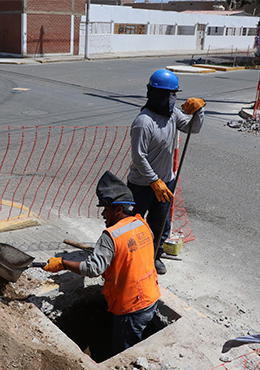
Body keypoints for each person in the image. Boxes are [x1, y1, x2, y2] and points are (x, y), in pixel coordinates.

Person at [43, 171, 160, 355]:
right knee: (135, 344)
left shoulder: (111, 236)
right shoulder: (141, 224)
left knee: (124, 354)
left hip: (130, 307)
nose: (104, 214)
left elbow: (92, 269)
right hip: (151, 297)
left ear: (118, 210)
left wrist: (62, 263)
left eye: (106, 209)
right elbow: (133, 254)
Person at [127, 69, 205, 275]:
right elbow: (138, 157)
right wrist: (153, 181)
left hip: (166, 182)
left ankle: (154, 256)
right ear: (159, 96)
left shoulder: (172, 115)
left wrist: (199, 110)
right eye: (171, 95)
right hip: (141, 185)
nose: (174, 99)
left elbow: (192, 128)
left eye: (175, 95)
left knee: (160, 223)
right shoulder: (144, 122)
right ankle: (129, 258)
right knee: (133, 223)